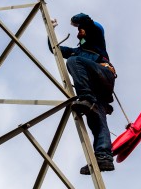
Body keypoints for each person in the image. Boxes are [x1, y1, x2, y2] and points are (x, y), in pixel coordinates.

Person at [50, 13, 117, 175]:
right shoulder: (78, 51)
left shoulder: (96, 39)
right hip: (98, 91)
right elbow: (56, 50)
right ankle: (103, 157)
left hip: (104, 75)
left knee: (73, 61)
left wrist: (75, 21)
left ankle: (87, 99)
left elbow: (85, 20)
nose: (79, 32)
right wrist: (51, 31)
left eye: (81, 30)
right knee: (97, 121)